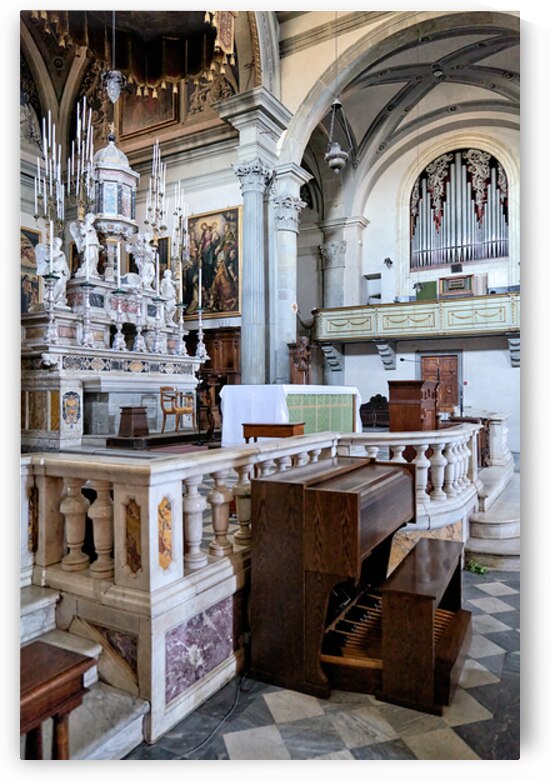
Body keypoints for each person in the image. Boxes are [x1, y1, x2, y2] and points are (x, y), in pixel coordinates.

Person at [34, 236, 70, 305]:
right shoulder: (50, 252)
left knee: (62, 286)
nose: (58, 246)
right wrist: (57, 254)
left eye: (59, 245)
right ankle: (51, 300)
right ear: (54, 244)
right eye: (57, 244)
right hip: (54, 273)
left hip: (62, 273)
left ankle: (59, 300)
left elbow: (64, 263)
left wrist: (67, 272)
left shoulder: (61, 253)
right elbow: (47, 258)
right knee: (55, 285)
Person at [70, 212, 101, 278]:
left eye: (93, 219)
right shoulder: (84, 226)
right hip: (88, 244)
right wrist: (88, 230)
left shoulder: (92, 227)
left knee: (95, 258)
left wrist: (98, 245)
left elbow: (94, 237)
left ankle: (92, 271)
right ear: (88, 218)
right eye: (92, 219)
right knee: (90, 257)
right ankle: (87, 271)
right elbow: (82, 233)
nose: (93, 220)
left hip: (94, 244)